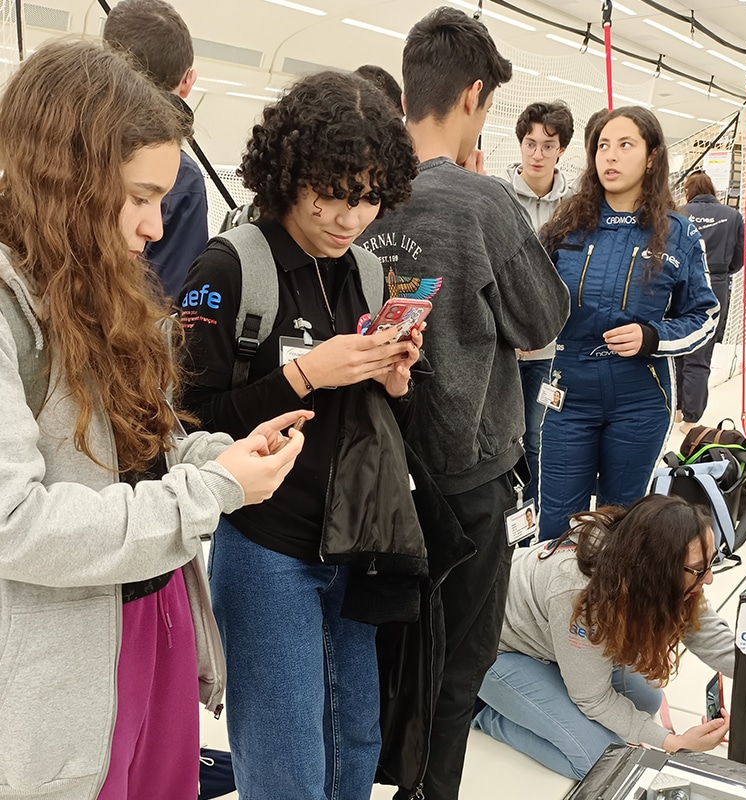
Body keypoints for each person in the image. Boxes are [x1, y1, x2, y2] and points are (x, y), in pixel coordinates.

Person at [0, 40, 306, 800]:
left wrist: (219, 455)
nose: (154, 229)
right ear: (64, 179)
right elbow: (15, 521)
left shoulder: (100, 286)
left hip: (151, 608)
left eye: (162, 202)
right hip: (60, 651)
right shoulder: (11, 311)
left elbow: (145, 441)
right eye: (137, 198)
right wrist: (211, 493)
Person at [179, 71, 423, 800]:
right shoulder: (231, 268)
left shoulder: (372, 275)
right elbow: (190, 420)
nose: (351, 216)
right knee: (284, 760)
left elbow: (379, 426)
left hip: (356, 539)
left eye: (370, 197)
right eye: (333, 193)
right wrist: (307, 373)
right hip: (264, 546)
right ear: (289, 174)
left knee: (354, 745)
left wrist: (396, 381)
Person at [357, 8, 570, 799]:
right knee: (456, 670)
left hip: (367, 482)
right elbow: (544, 318)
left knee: (373, 660)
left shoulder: (355, 194)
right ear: (474, 96)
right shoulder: (481, 205)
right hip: (467, 482)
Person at [472, 494, 746, 780]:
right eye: (699, 569)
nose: (710, 579)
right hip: (492, 648)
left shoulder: (654, 565)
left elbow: (715, 641)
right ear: (655, 571)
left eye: (712, 562)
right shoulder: (582, 594)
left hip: (550, 638)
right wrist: (674, 743)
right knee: (600, 758)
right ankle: (487, 715)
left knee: (648, 699)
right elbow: (593, 699)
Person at [537, 106, 719, 542]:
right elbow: (529, 294)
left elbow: (705, 316)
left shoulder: (679, 232)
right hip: (568, 394)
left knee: (623, 522)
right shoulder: (566, 223)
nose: (611, 157)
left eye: (625, 145)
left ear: (652, 157)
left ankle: (613, 609)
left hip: (639, 399)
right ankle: (556, 609)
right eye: (603, 146)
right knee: (560, 523)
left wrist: (653, 336)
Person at [104, 0, 209, 301]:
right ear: (188, 80)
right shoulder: (185, 177)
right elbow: (164, 303)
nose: (154, 228)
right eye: (139, 197)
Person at [503, 101, 575, 513]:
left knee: (536, 438)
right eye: (530, 143)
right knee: (500, 439)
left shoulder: (574, 206)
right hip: (504, 348)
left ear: (561, 149)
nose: (537, 154)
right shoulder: (497, 196)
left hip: (550, 350)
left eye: (547, 145)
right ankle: (501, 518)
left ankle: (529, 518)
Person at [675, 171, 744, 433]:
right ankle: (692, 417)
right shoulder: (732, 215)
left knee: (678, 346)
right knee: (700, 353)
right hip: (714, 285)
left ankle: (679, 409)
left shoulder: (679, 212)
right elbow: (738, 259)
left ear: (689, 190)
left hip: (681, 283)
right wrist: (720, 272)